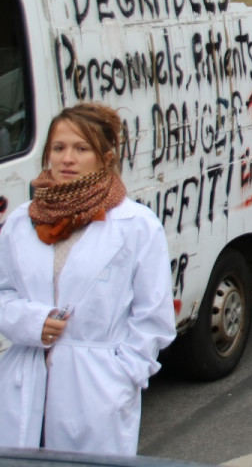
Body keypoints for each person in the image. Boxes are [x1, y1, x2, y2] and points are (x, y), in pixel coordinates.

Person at [0, 104, 176, 455]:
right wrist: (32, 322)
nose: (67, 158)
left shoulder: (136, 225)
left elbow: (154, 317)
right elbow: (3, 292)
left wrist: (122, 376)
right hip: (24, 381)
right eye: (59, 147)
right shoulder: (22, 221)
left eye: (81, 148)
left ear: (105, 157)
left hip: (97, 390)